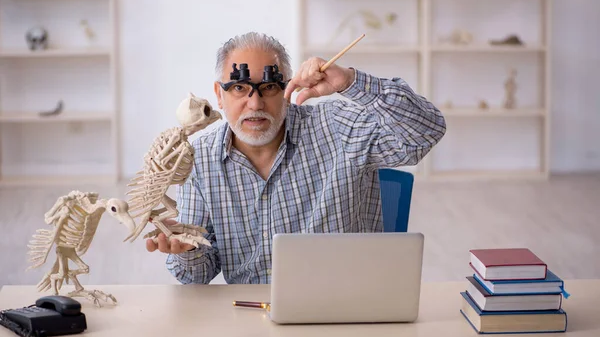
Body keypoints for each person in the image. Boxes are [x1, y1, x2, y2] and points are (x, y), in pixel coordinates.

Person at [146, 32, 446, 284]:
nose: (255, 103)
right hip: (252, 315)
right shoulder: (197, 162)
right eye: (239, 88)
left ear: (287, 89)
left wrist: (350, 82)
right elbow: (199, 274)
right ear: (219, 95)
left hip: (345, 306)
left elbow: (427, 131)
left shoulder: (338, 128)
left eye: (269, 87)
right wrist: (185, 251)